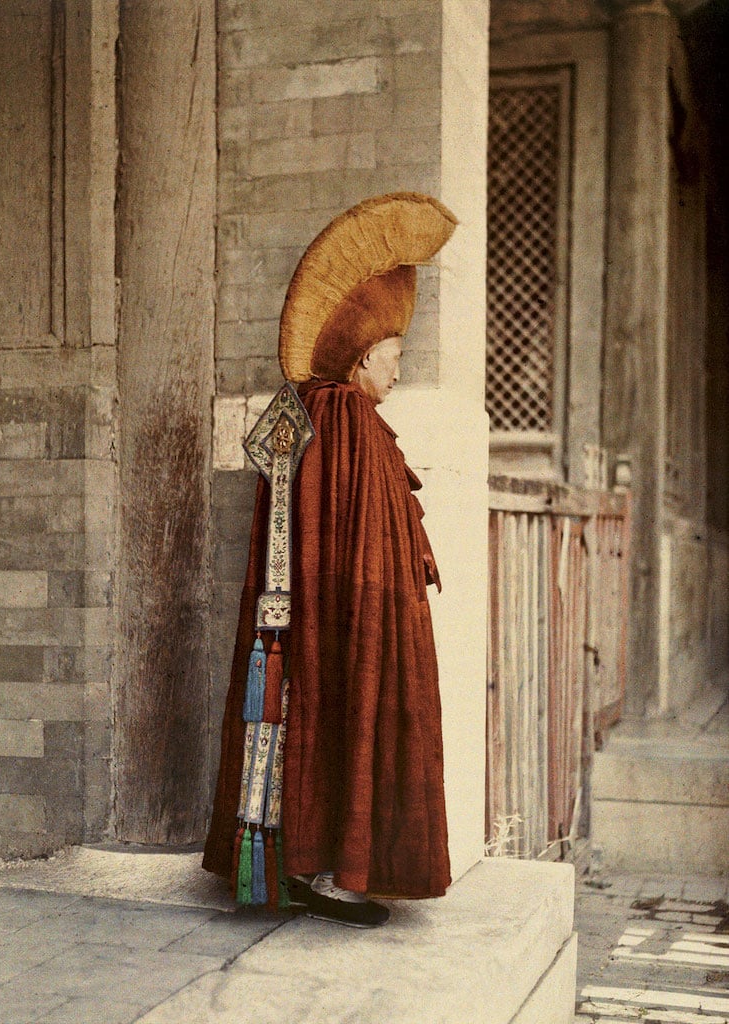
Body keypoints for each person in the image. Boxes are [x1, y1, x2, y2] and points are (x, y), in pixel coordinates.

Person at [203, 192, 457, 927]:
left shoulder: (347, 418)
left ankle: (323, 867)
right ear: (361, 357)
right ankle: (324, 871)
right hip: (341, 614)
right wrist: (366, 612)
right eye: (394, 357)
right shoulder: (341, 415)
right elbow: (335, 536)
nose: (400, 372)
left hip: (349, 609)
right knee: (335, 712)